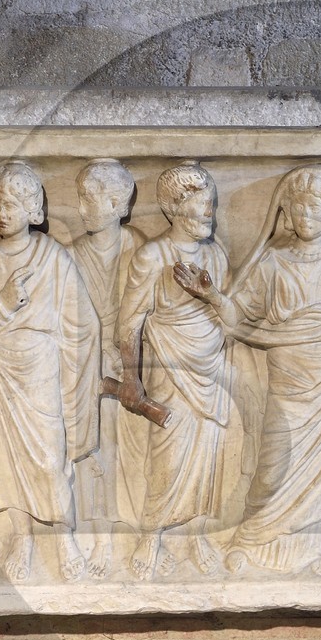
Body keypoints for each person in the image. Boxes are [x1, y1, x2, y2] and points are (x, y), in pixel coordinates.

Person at [175, 163, 321, 574]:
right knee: (275, 462)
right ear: (287, 213)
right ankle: (252, 536)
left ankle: (314, 546)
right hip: (288, 378)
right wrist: (211, 295)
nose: (306, 219)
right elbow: (238, 314)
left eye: (316, 211)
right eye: (299, 210)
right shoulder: (274, 262)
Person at [0, 161, 100, 582]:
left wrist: (77, 374)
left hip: (38, 367)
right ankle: (23, 537)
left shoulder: (52, 256)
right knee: (1, 458)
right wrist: (2, 303)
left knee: (49, 456)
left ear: (34, 210)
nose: (3, 212)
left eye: (13, 204)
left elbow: (82, 322)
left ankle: (64, 537)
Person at [116, 163, 231, 579]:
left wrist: (212, 294)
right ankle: (152, 534)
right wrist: (131, 377)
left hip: (212, 367)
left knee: (208, 454)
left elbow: (229, 317)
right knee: (170, 455)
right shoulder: (152, 256)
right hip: (170, 364)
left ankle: (199, 534)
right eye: (201, 209)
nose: (209, 217)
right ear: (175, 209)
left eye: (212, 209)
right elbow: (128, 321)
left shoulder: (217, 255)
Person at [67, 158, 146, 565]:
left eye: (89, 198)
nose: (81, 208)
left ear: (118, 203)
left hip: (135, 364)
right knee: (91, 453)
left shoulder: (139, 246)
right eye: (80, 198)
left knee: (127, 452)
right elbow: (64, 316)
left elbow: (149, 306)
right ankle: (97, 534)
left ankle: (127, 529)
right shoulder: (71, 254)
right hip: (86, 367)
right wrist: (94, 357)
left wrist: (126, 359)